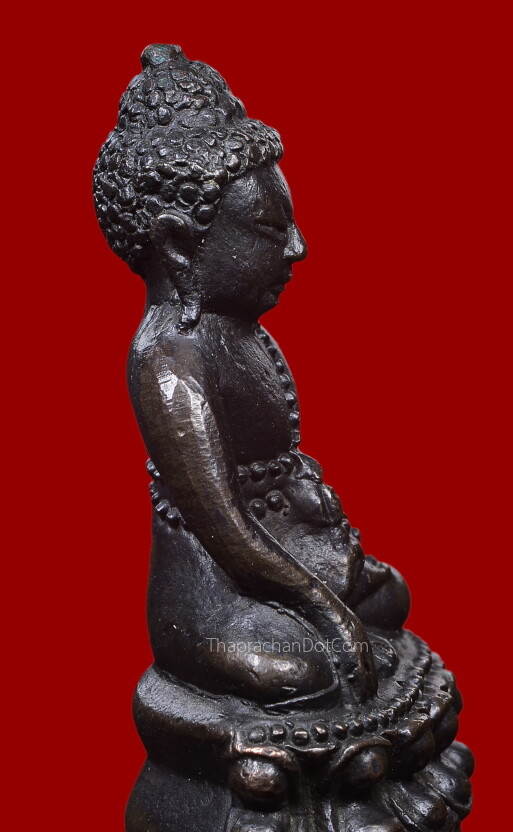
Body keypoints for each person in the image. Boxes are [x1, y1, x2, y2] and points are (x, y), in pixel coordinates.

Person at [94, 44, 410, 710]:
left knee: (390, 598)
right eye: (269, 229)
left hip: (288, 545)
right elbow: (227, 533)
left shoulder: (235, 328)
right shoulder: (168, 363)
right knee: (305, 675)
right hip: (215, 591)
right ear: (179, 244)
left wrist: (324, 559)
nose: (297, 247)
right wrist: (324, 609)